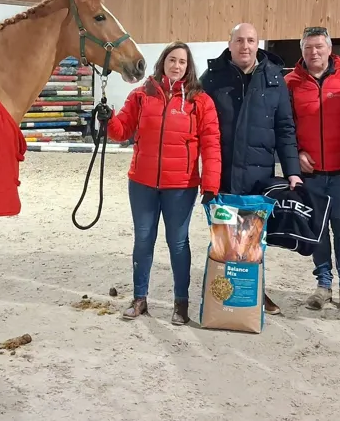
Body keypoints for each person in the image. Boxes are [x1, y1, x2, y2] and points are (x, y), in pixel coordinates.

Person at [107, 41, 222, 326]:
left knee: (178, 243)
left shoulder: (200, 101)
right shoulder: (141, 96)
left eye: (182, 62)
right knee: (143, 240)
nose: (176, 66)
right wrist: (107, 120)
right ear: (163, 62)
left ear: (188, 67)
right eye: (172, 60)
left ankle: (180, 304)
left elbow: (211, 145)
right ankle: (139, 299)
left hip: (180, 186)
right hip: (143, 183)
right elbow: (122, 131)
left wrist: (211, 184)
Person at [200, 22, 301, 316]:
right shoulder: (213, 78)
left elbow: (285, 127)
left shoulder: (274, 79)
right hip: (223, 175)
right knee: (224, 239)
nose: (245, 46)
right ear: (229, 44)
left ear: (259, 45)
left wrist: (292, 169)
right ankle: (221, 293)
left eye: (251, 41)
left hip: (259, 178)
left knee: (253, 241)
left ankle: (255, 291)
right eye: (240, 40)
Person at [284, 26, 340, 313]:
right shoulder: (290, 83)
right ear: (302, 50)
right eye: (308, 47)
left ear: (330, 49)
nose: (314, 52)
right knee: (317, 231)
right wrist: (296, 153)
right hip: (311, 174)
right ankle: (323, 284)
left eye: (319, 46)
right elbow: (284, 126)